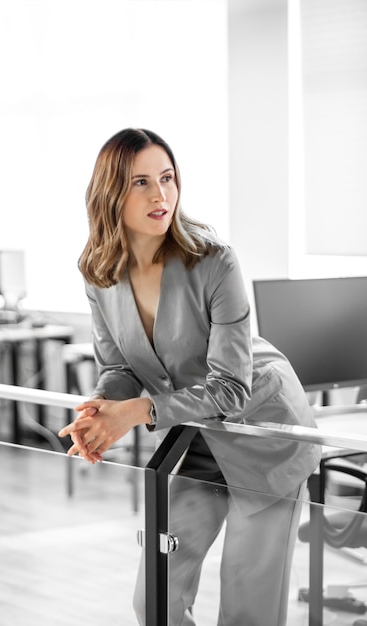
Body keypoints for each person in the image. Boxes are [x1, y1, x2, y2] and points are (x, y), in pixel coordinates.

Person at [58, 128, 321, 626]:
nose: (161, 195)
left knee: (248, 610)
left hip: (263, 432)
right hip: (198, 440)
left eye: (168, 177)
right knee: (155, 599)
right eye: (141, 182)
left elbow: (230, 387)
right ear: (111, 191)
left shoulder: (214, 260)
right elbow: (118, 366)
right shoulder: (98, 271)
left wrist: (136, 413)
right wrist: (100, 412)